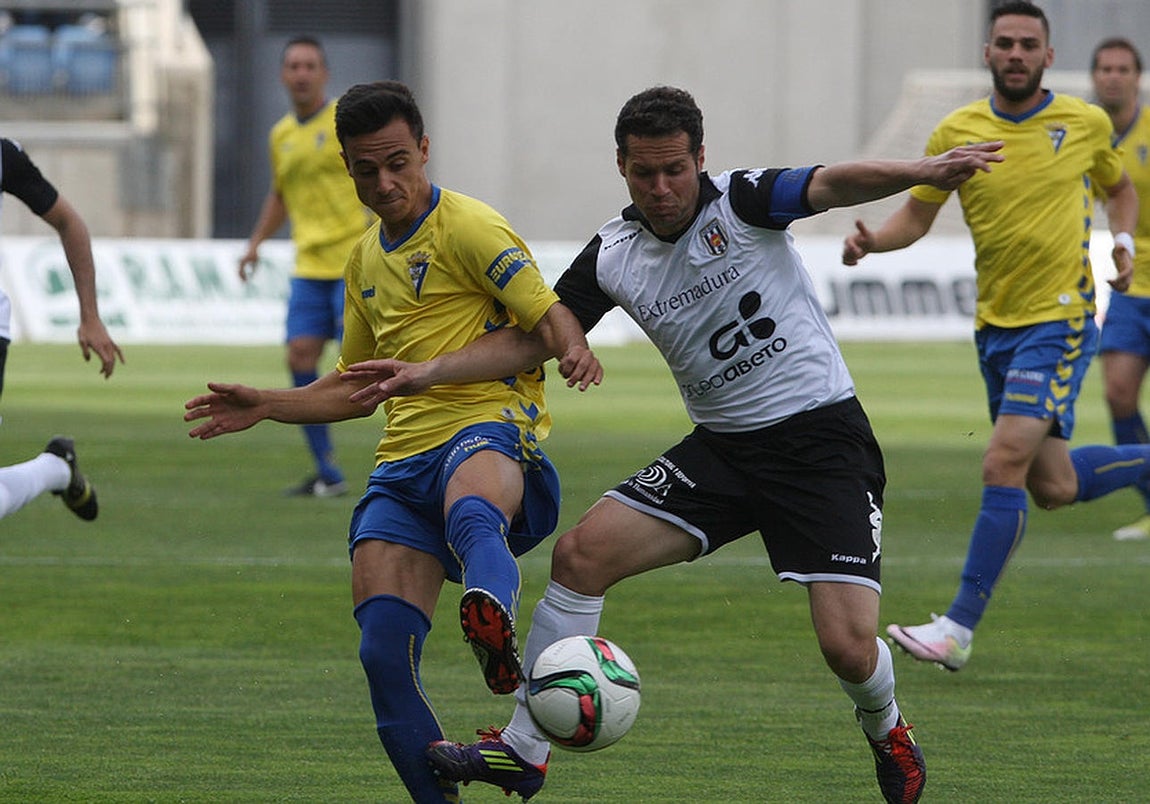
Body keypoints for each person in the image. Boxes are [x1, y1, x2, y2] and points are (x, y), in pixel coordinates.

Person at [346, 86, 1004, 804]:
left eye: (674, 170)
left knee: (847, 647)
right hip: (722, 451)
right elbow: (537, 332)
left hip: (820, 443)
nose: (661, 189)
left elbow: (830, 182)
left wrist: (921, 170)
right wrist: (428, 372)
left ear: (700, 160)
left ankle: (887, 728)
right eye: (643, 173)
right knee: (580, 555)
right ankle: (525, 749)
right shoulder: (613, 255)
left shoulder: (745, 202)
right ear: (621, 168)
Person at [185, 80, 600, 803]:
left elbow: (549, 314)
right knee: (381, 652)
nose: (385, 183)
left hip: (487, 430)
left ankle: (492, 624)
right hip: (401, 466)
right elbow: (359, 385)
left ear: (425, 151)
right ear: (346, 168)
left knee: (474, 510)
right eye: (367, 170)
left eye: (398, 163)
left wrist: (572, 349)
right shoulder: (361, 263)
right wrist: (270, 404)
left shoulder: (470, 228)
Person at [842, 2, 1143, 672]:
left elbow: (1120, 190)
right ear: (988, 53)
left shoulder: (1082, 122)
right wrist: (873, 242)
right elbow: (916, 219)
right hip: (995, 328)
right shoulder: (957, 130)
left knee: (1001, 461)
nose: (1015, 53)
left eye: (1027, 44)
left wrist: (1120, 240)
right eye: (1004, 42)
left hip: (1060, 320)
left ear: (1046, 54)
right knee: (1054, 485)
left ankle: (958, 627)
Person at [238, 35, 371, 498]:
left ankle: (415, 457)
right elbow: (280, 194)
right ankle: (327, 470)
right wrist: (255, 243)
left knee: (364, 367)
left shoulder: (343, 124)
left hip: (353, 261)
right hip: (309, 266)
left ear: (324, 74)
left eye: (309, 65)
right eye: (293, 66)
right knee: (299, 358)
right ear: (282, 75)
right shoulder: (281, 136)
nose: (301, 73)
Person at [0, 136, 122, 521]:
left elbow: (69, 222)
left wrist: (90, 316)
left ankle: (55, 469)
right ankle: (56, 468)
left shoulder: (4, 156)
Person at [1091, 37, 1150, 541]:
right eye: (1105, 69)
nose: (1113, 76)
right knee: (1118, 393)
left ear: (1137, 76)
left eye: (1122, 68)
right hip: (1130, 282)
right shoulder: (1088, 135)